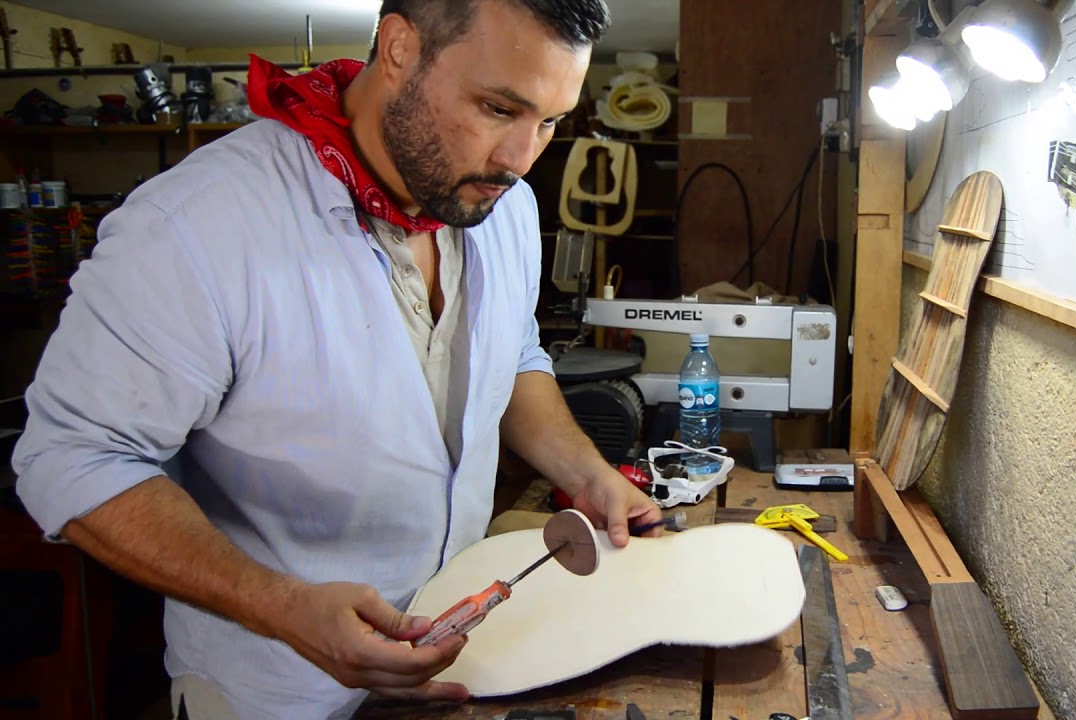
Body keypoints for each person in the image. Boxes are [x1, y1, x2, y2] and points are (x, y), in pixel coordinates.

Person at [10, 0, 662, 717]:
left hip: (461, 664)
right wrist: (283, 608)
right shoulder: (196, 225)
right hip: (276, 690)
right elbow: (72, 457)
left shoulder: (502, 207)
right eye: (498, 108)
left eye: (548, 122)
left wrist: (589, 476)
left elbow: (511, 356)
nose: (520, 159)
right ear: (399, 49)